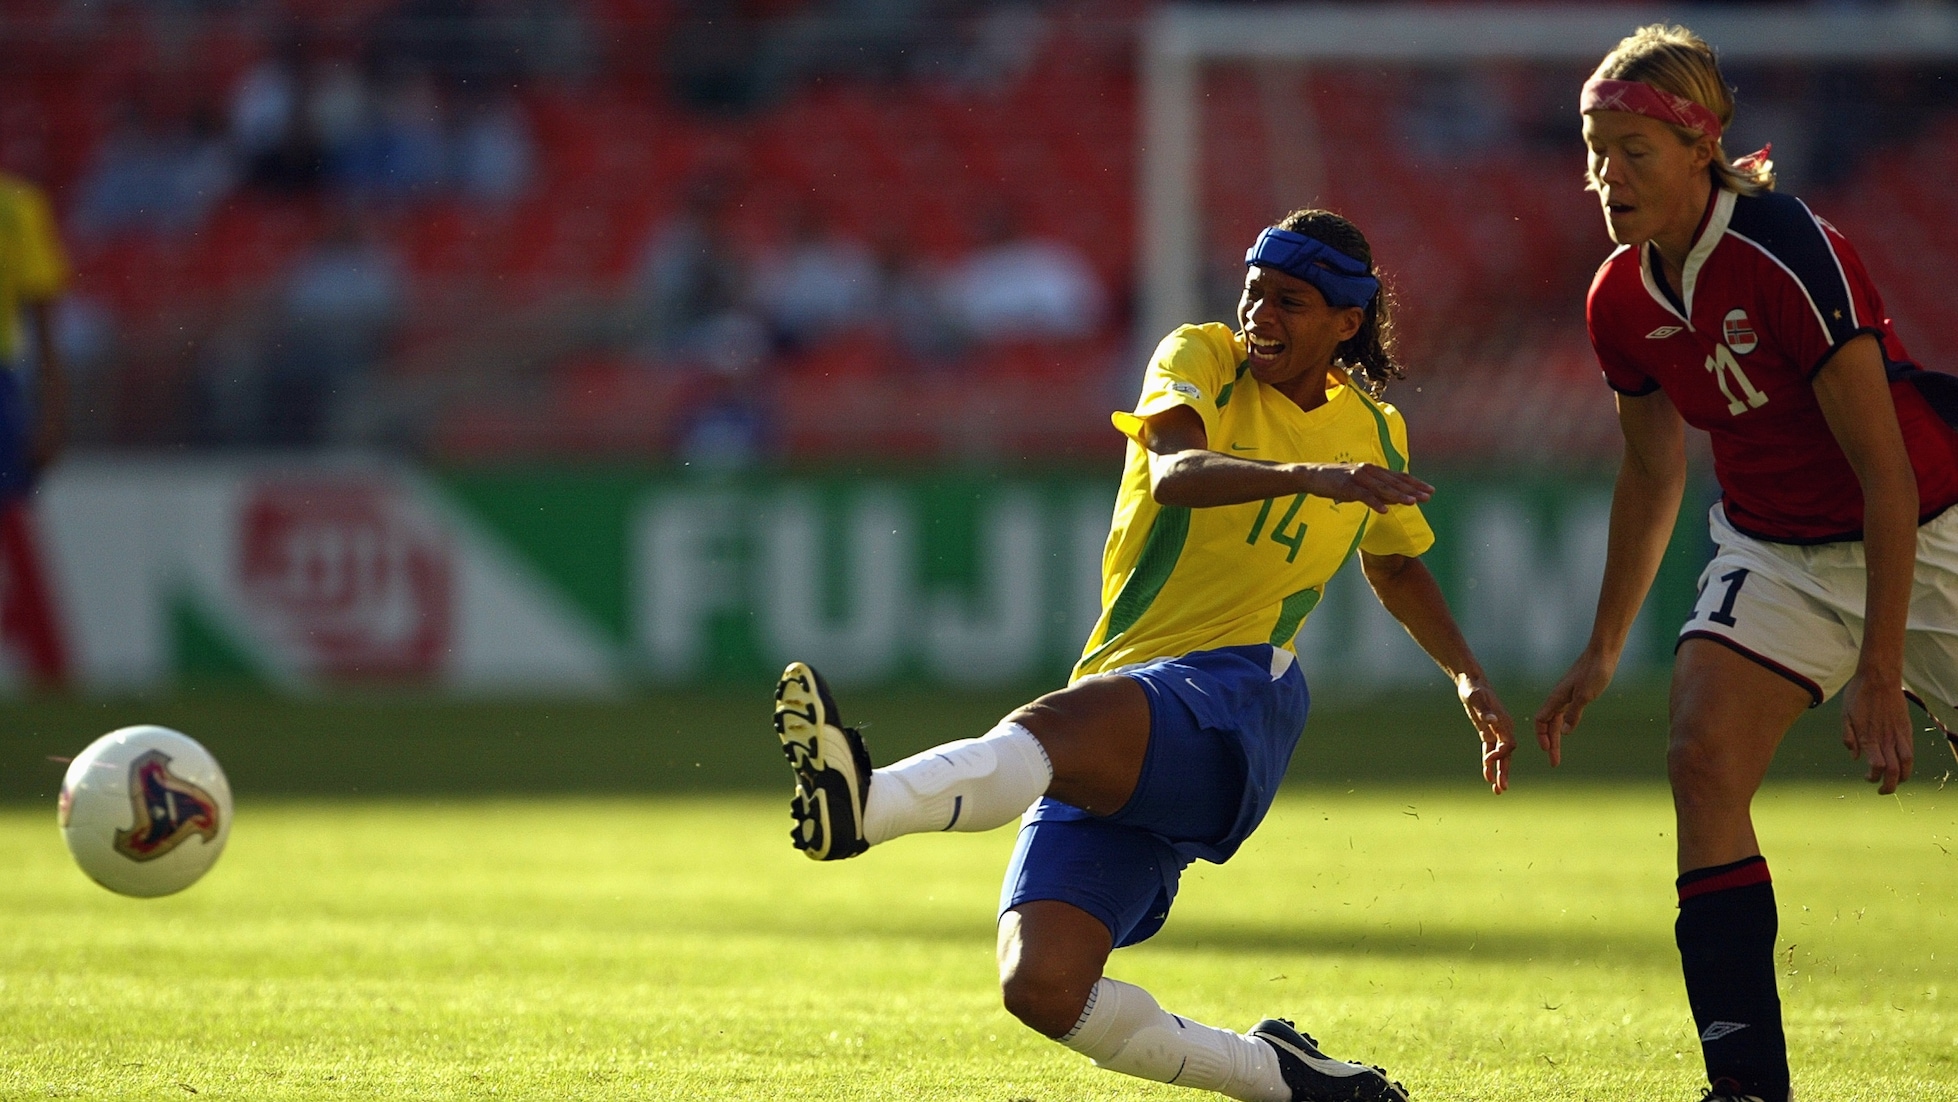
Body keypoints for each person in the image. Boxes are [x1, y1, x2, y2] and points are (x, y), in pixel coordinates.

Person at [773, 209, 1517, 1102]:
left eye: (1291, 301)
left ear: (1346, 323)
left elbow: (1393, 561)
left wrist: (1469, 675)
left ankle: (866, 805)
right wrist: (1312, 480)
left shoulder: (1375, 432)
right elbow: (1175, 471)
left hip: (1241, 692)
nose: (1261, 316)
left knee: (1049, 729)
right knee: (1042, 987)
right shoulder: (1201, 356)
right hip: (1128, 697)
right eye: (1254, 292)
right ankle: (1283, 1079)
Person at [1535, 24, 1958, 1102]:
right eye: (1594, 149)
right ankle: (1745, 1086)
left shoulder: (1781, 244)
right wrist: (1600, 647)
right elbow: (1649, 474)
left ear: (1698, 144)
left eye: (1632, 148)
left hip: (1928, 524)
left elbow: (1885, 474)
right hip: (1775, 549)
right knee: (1701, 756)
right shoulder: (1616, 298)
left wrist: (1876, 673)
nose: (1606, 174)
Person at [0, 171, 72, 685]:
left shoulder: (17, 207)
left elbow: (44, 320)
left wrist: (51, 414)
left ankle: (48, 663)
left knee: (11, 519)